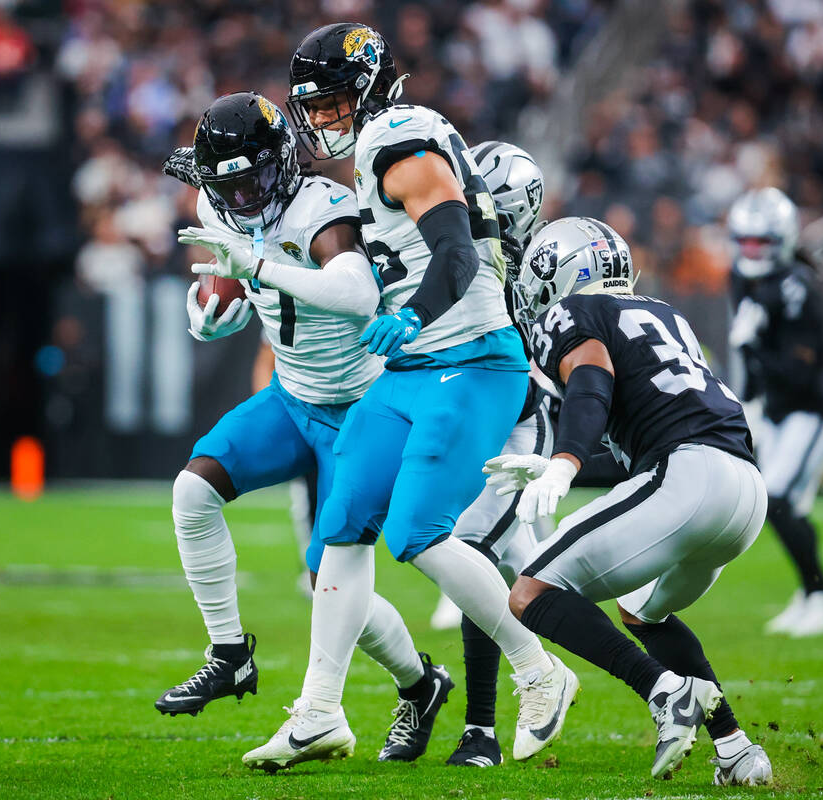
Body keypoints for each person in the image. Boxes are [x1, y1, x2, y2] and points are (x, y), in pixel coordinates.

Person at [243, 23, 578, 771]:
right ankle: (320, 713)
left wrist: (411, 315)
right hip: (415, 368)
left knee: (418, 532)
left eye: (330, 102)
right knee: (342, 521)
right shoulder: (381, 143)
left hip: (472, 356)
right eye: (313, 105)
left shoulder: (399, 139)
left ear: (365, 88)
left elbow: (457, 251)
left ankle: (539, 670)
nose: (321, 117)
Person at [156, 93, 451, 763]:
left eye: (255, 180)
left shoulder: (322, 211)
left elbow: (356, 293)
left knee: (332, 579)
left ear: (284, 165)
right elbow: (225, 292)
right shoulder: (216, 196)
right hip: (293, 396)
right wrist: (208, 307)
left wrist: (256, 266)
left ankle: (413, 684)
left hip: (361, 409)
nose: (245, 197)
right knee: (192, 491)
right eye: (228, 186)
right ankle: (230, 653)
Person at [485, 216, 773, 783]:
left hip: (686, 477)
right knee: (643, 611)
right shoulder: (666, 312)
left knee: (528, 593)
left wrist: (565, 461)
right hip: (743, 489)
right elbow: (643, 414)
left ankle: (665, 693)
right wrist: (556, 459)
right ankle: (738, 750)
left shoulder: (570, 312)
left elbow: (591, 378)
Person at [441, 140, 557, 767]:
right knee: (542, 580)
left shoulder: (534, 268)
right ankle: (659, 683)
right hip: (475, 427)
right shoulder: (462, 256)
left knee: (470, 553)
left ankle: (480, 728)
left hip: (517, 431)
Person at [726, 188, 823, 636]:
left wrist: (755, 345)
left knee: (776, 500)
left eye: (760, 243)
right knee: (787, 508)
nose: (751, 252)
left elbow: (804, 371)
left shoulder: (799, 286)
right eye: (745, 242)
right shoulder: (742, 279)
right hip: (778, 410)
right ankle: (813, 594)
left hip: (813, 411)